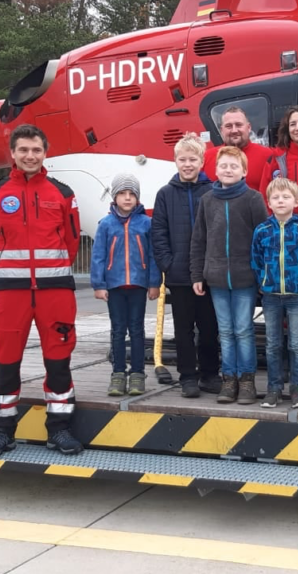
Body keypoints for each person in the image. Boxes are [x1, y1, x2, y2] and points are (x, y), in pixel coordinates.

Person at [0, 124, 83, 458]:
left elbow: (71, 241)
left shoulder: (62, 192)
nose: (30, 156)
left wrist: (50, 272)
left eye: (36, 150)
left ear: (45, 152)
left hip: (55, 292)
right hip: (10, 292)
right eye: (23, 150)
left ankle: (60, 429)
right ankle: (2, 432)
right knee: (6, 362)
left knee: (59, 361)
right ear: (12, 153)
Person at [191, 145, 269, 405]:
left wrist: (262, 276)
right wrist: (197, 274)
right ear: (215, 170)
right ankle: (229, 379)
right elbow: (198, 239)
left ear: (244, 171)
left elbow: (263, 239)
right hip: (215, 278)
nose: (228, 169)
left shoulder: (253, 199)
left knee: (244, 330)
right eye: (223, 165)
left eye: (234, 166)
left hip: (246, 277)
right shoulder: (207, 200)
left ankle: (247, 380)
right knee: (224, 331)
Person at [152, 133, 221, 398]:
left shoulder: (213, 191)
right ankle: (188, 377)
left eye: (193, 159)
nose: (188, 164)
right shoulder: (165, 194)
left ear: (202, 161)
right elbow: (158, 232)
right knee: (183, 329)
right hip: (179, 274)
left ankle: (210, 373)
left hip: (208, 273)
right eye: (183, 159)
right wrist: (167, 263)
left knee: (209, 328)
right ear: (175, 161)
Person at [90, 173, 162, 397]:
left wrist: (153, 283)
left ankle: (138, 374)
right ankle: (118, 374)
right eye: (123, 193)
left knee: (137, 330)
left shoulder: (146, 223)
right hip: (114, 286)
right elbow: (98, 256)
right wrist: (98, 284)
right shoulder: (106, 224)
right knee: (118, 330)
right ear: (115, 197)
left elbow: (153, 256)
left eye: (132, 194)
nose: (128, 198)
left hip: (139, 286)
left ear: (138, 198)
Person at [252, 178, 298, 408]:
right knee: (272, 344)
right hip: (270, 295)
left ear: (296, 201)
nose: (281, 201)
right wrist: (263, 280)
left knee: (297, 343)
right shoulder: (262, 230)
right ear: (268, 202)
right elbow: (256, 259)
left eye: (286, 197)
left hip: (297, 295)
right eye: (276, 197)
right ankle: (273, 388)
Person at [203, 107, 274, 192]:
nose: (234, 130)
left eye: (239, 125)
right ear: (221, 130)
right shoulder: (207, 157)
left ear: (248, 127)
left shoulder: (267, 156)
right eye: (228, 126)